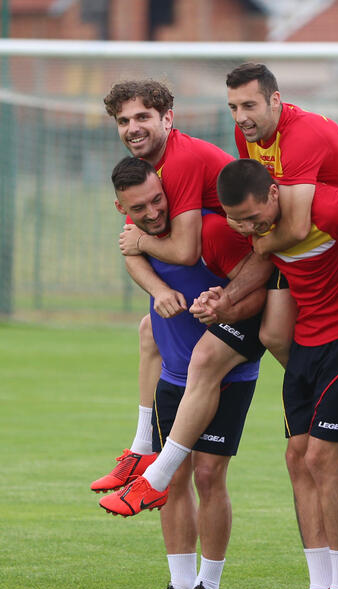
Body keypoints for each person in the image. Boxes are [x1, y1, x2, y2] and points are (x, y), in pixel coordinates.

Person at [222, 62, 338, 497]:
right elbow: (265, 204)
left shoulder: (304, 134)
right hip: (308, 243)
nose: (241, 117)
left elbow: (291, 225)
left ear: (275, 99)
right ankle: (336, 403)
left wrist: (257, 243)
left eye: (249, 105)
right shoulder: (246, 134)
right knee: (273, 335)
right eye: (233, 107)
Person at [214, 158, 338, 589]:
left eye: (253, 216)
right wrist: (222, 299)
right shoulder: (258, 228)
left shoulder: (326, 205)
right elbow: (259, 263)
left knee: (322, 459)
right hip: (306, 343)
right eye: (238, 221)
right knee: (296, 457)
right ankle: (320, 588)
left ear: (273, 193)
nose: (250, 228)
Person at [101, 157, 265, 589]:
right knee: (173, 480)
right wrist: (158, 292)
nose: (153, 213)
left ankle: (207, 588)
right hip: (173, 376)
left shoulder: (209, 231)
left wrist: (223, 302)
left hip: (226, 375)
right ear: (121, 209)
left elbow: (258, 280)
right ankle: (179, 583)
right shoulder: (135, 240)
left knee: (210, 476)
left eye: (157, 200)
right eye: (139, 209)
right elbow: (138, 262)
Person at [92, 79, 235, 495]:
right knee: (149, 328)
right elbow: (130, 249)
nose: (132, 127)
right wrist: (157, 291)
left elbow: (186, 249)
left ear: (168, 119)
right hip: (223, 272)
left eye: (142, 117)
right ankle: (141, 449)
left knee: (286, 345)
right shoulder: (144, 175)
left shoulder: (183, 158)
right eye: (123, 120)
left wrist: (142, 241)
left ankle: (151, 462)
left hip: (260, 265)